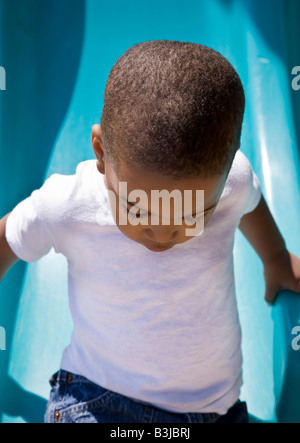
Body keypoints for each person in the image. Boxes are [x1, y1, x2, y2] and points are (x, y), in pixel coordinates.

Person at [0, 40, 299, 424]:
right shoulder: (69, 204)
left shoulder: (230, 183)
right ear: (101, 154)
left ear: (225, 170)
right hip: (96, 398)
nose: (161, 233)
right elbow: (9, 237)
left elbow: (252, 204)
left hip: (213, 408)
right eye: (138, 209)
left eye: (189, 215)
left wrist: (275, 259)